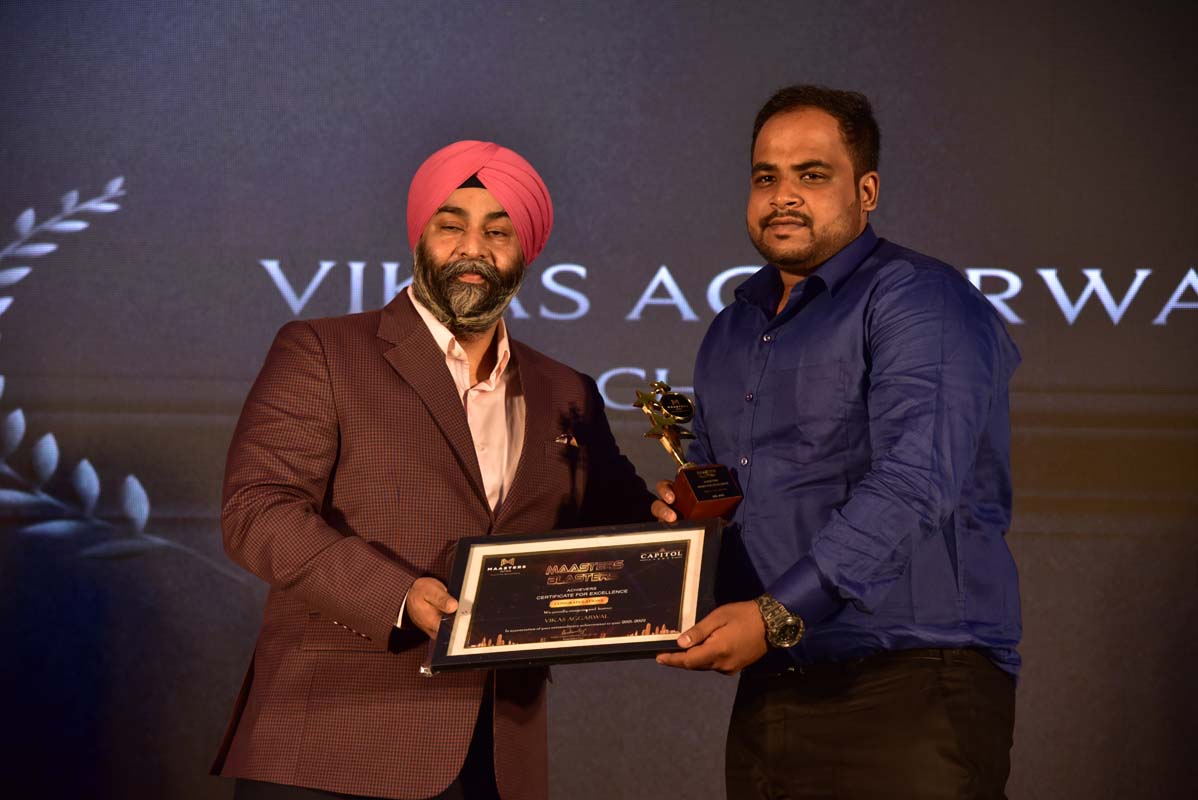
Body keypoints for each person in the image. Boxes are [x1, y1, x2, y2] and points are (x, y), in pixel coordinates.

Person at [212, 140, 652, 800]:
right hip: (329, 744)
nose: (473, 249)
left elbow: (623, 530)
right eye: (451, 226)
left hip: (495, 757)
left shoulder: (567, 390)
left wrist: (682, 520)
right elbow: (257, 511)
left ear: (526, 250)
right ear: (420, 236)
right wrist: (398, 594)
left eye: (498, 231)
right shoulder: (323, 350)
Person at [652, 85, 1022, 798]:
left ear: (867, 191)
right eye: (766, 176)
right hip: (774, 685)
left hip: (911, 681)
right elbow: (719, 482)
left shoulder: (919, 299)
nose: (784, 196)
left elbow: (914, 483)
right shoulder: (732, 329)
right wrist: (683, 522)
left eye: (812, 174)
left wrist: (775, 614)